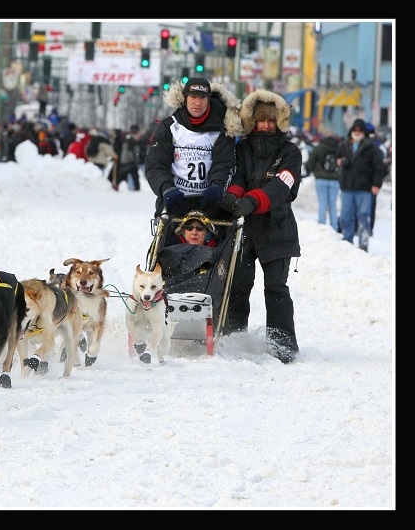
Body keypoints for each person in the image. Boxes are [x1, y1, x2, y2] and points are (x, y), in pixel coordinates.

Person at [219, 89, 301, 364]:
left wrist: (253, 200)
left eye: (271, 120)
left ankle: (282, 345)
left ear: (280, 121)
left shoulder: (291, 152)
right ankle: (233, 339)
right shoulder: (242, 148)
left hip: (277, 228)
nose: (266, 125)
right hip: (245, 229)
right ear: (252, 121)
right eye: (261, 120)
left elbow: (283, 187)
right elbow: (240, 177)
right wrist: (234, 195)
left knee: (276, 288)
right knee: (238, 286)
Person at [145, 77, 243, 218]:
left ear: (208, 100)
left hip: (210, 201)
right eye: (193, 97)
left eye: (202, 98)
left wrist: (216, 186)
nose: (198, 103)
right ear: (185, 99)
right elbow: (156, 164)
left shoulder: (224, 129)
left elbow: (223, 163)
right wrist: (166, 188)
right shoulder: (169, 127)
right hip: (175, 200)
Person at [335, 118, 386, 252]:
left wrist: (377, 184)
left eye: (360, 130)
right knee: (346, 216)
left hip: (364, 188)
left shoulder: (371, 147)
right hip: (347, 187)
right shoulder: (345, 144)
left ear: (364, 132)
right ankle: (347, 241)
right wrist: (339, 162)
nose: (357, 132)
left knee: (363, 216)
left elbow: (379, 168)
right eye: (355, 130)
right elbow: (337, 159)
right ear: (352, 131)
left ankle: (363, 243)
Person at [306, 130, 342, 231]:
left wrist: (316, 172)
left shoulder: (319, 148)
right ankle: (334, 227)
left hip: (321, 180)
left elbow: (310, 163)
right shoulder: (339, 148)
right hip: (334, 180)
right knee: (332, 205)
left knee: (322, 204)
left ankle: (321, 226)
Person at [113, 125, 142, 191]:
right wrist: (135, 160)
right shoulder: (132, 140)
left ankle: (117, 184)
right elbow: (135, 151)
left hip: (125, 160)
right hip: (130, 161)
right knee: (133, 175)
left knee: (124, 173)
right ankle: (136, 188)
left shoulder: (126, 139)